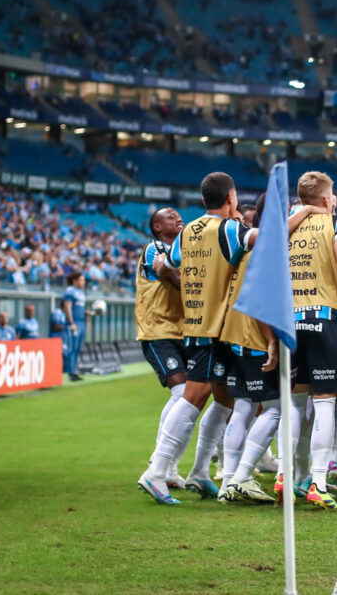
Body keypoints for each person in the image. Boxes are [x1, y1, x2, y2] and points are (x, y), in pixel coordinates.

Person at [139, 172, 257, 505]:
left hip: (198, 323)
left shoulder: (188, 231)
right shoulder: (230, 229)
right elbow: (264, 240)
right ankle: (157, 470)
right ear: (231, 198)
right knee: (193, 396)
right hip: (212, 327)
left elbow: (171, 262)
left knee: (223, 400)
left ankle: (200, 471)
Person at [287, 171, 337, 510]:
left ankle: (285, 476)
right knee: (326, 402)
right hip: (322, 316)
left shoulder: (285, 225)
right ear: (328, 199)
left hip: (289, 319)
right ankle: (317, 481)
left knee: (295, 403)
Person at [220, 194, 281, 504]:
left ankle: (227, 481)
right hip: (253, 337)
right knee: (276, 410)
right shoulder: (265, 247)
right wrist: (271, 340)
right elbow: (259, 299)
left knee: (243, 408)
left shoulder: (244, 246)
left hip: (231, 335)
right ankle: (243, 476)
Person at [135, 207, 188, 492]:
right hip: (158, 331)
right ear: (157, 227)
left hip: (183, 330)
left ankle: (169, 468)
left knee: (192, 396)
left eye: (179, 216)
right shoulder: (154, 248)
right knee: (182, 392)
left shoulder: (183, 248)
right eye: (170, 217)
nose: (178, 218)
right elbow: (176, 279)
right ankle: (160, 463)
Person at [63, 271, 91, 383]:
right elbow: (68, 307)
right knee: (72, 348)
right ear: (75, 280)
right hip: (74, 323)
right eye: (81, 280)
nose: (83, 282)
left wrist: (88, 313)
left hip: (81, 322)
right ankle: (70, 372)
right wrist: (71, 323)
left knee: (78, 348)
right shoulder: (70, 291)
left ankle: (74, 370)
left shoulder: (81, 293)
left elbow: (79, 308)